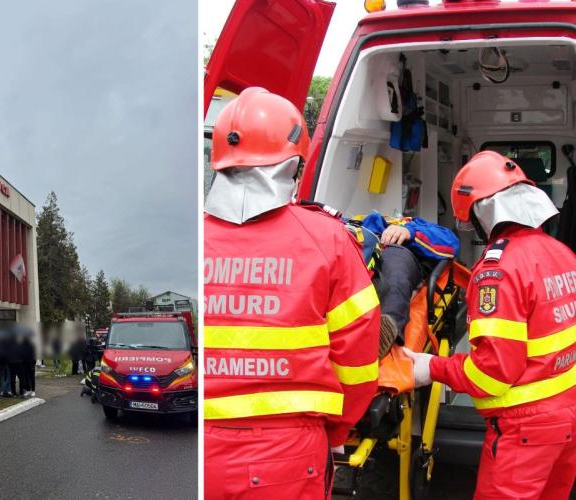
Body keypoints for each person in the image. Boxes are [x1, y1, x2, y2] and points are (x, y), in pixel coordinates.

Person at [204, 88, 380, 498]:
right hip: (287, 454)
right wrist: (336, 429)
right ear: (294, 164)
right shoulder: (327, 239)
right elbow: (358, 360)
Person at [405, 150, 576, 499]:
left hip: (526, 429)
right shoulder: (562, 254)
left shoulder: (497, 272)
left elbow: (492, 373)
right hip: (568, 416)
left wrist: (431, 368)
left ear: (482, 213)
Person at [356, 211, 459, 357]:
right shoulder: (360, 221)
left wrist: (409, 232)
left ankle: (387, 328)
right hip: (360, 248)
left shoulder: (416, 225)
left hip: (396, 251)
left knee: (395, 272)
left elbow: (451, 243)